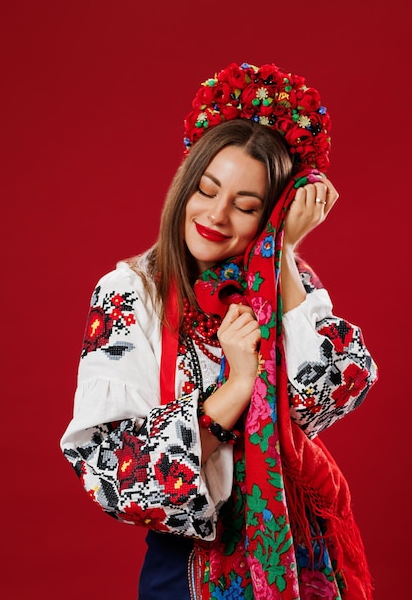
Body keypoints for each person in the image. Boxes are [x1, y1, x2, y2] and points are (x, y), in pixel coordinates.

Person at [60, 62, 378, 599]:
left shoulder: (289, 282)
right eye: (206, 190)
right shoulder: (131, 292)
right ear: (186, 184)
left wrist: (284, 257)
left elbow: (329, 397)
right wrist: (236, 388)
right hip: (192, 570)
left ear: (270, 215)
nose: (215, 215)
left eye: (247, 206)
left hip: (304, 564)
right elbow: (113, 470)